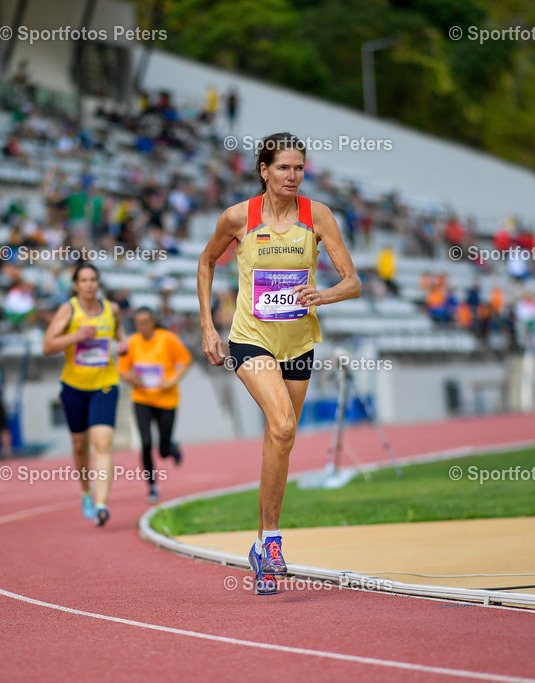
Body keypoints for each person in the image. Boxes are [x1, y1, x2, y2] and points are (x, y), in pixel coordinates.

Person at [197, 132, 361, 596]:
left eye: (299, 168)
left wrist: (323, 295)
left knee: (280, 439)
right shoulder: (238, 217)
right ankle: (272, 542)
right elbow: (206, 263)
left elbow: (353, 282)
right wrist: (208, 328)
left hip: (299, 343)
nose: (293, 176)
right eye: (283, 167)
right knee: (284, 424)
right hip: (250, 340)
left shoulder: (318, 215)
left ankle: (260, 543)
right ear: (263, 170)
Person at [43, 263, 127, 527]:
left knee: (101, 443)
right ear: (76, 285)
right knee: (80, 446)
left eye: (93, 279)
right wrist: (76, 336)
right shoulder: (68, 309)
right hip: (74, 388)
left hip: (105, 385)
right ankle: (86, 491)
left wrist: (123, 343)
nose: (89, 284)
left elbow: (119, 332)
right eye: (84, 280)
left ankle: (102, 505)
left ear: (98, 283)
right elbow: (47, 345)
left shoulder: (112, 309)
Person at [118, 307, 192, 503]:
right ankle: (152, 486)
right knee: (146, 443)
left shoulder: (167, 339)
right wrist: (131, 379)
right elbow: (124, 370)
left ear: (153, 322)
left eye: (145, 322)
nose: (141, 326)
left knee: (163, 450)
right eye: (138, 323)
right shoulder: (132, 342)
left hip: (166, 400)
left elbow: (186, 361)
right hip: (142, 399)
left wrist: (172, 380)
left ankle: (172, 448)